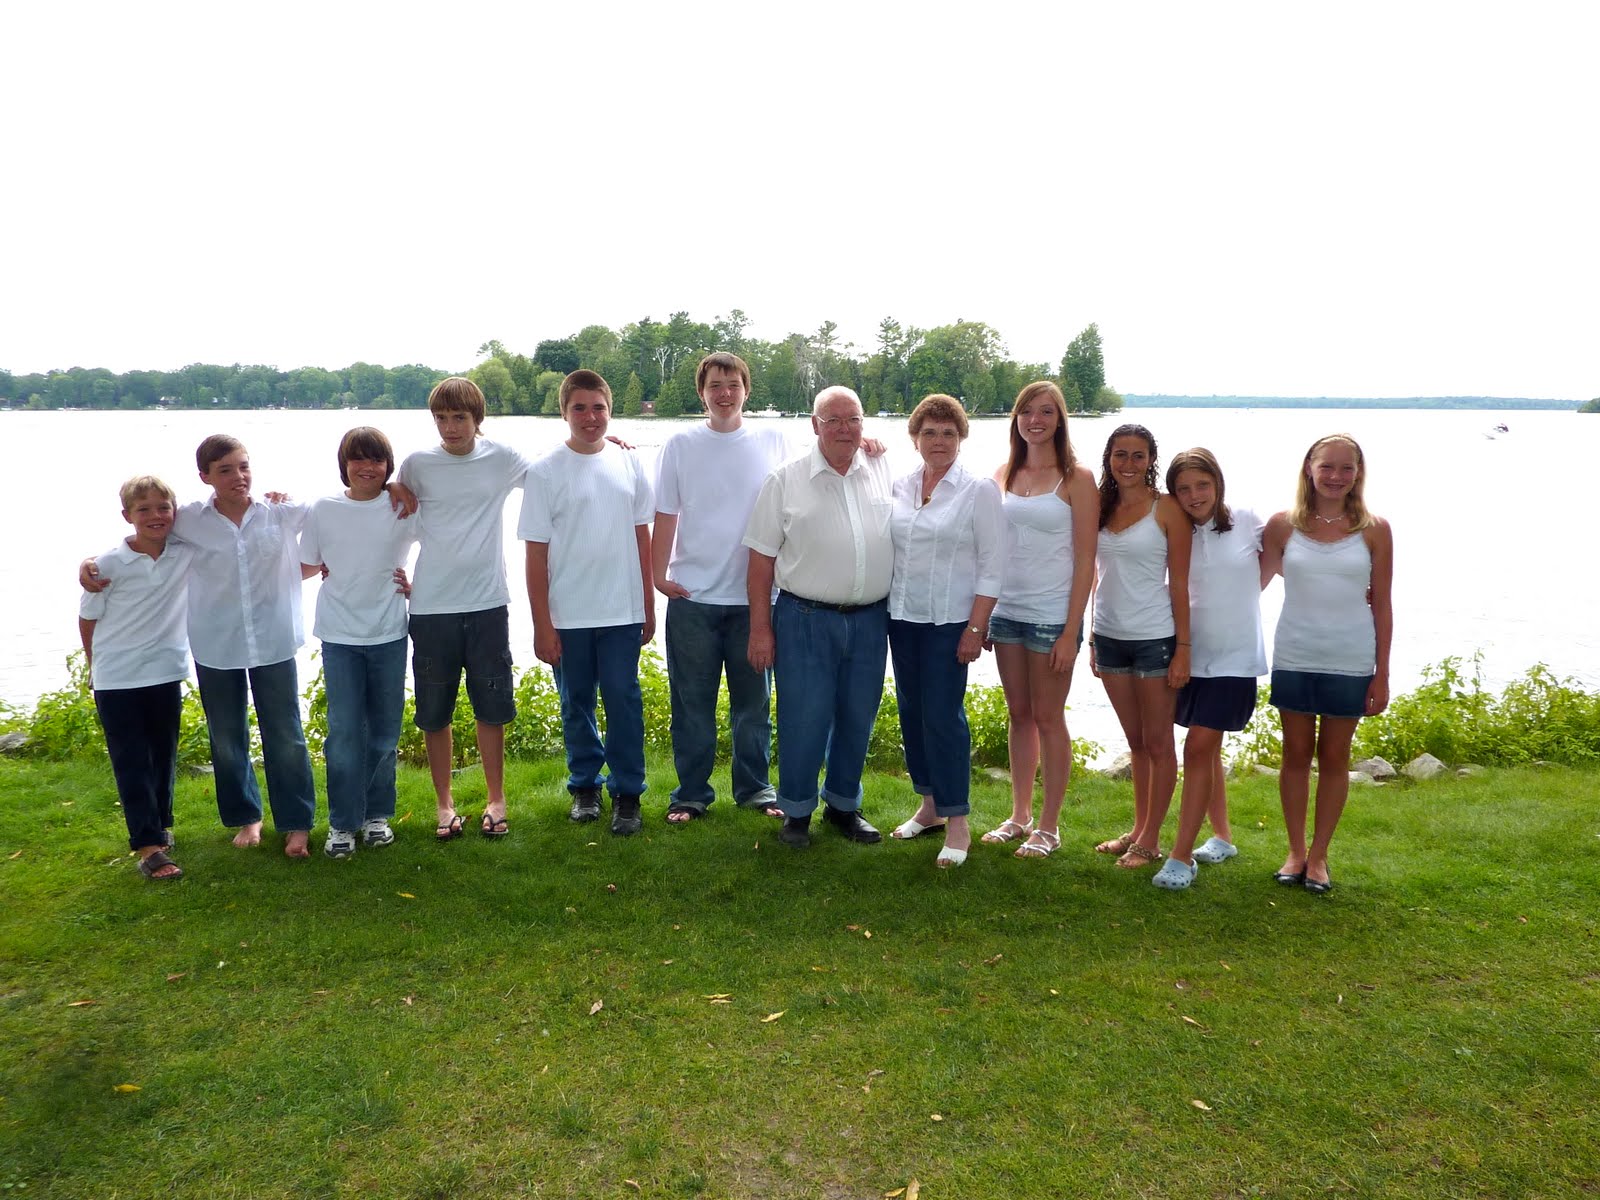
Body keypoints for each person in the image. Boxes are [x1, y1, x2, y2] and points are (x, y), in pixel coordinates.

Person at [85, 435, 318, 857]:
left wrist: (393, 489)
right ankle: (247, 816)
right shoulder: (188, 519)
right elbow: (143, 533)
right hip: (216, 644)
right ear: (205, 476)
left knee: (286, 735)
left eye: (243, 466)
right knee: (227, 738)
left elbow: (335, 519)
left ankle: (296, 823)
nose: (238, 476)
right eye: (225, 470)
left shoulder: (281, 511)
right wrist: (89, 566)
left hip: (274, 640)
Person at [743, 385, 892, 849]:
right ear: (814, 425)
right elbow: (760, 562)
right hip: (804, 618)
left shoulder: (882, 468)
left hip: (870, 620)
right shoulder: (784, 480)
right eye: (834, 420)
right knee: (803, 718)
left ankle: (844, 806)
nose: (845, 429)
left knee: (857, 717)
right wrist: (760, 630)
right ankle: (796, 811)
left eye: (854, 419)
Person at [652, 352, 790, 823]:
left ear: (746, 390)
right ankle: (691, 794)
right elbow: (665, 513)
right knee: (692, 705)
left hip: (756, 600)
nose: (724, 393)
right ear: (702, 393)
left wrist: (868, 443)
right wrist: (658, 576)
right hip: (694, 599)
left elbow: (810, 483)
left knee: (754, 706)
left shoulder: (773, 440)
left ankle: (755, 790)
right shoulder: (680, 444)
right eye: (715, 385)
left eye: (733, 384)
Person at [396, 377, 531, 841]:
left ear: (477, 418)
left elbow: (553, 478)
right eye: (441, 418)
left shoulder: (502, 458)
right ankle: (444, 806)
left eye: (459, 417)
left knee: (491, 707)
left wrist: (605, 445)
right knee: (435, 711)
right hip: (432, 607)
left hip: (488, 602)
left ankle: (496, 800)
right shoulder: (417, 465)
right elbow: (392, 515)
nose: (450, 427)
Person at [521, 370, 655, 836]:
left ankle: (628, 793)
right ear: (564, 412)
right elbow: (535, 555)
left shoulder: (628, 462)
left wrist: (648, 604)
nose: (590, 417)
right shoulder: (545, 471)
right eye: (579, 407)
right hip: (569, 613)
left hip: (621, 611)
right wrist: (542, 625)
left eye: (598, 407)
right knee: (575, 703)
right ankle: (584, 786)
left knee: (623, 700)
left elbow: (642, 536)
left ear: (609, 410)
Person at [1260, 433, 1393, 894]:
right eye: (1327, 466)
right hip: (1295, 652)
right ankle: (1295, 852)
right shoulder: (1282, 526)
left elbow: (1383, 604)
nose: (1336, 476)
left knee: (1335, 757)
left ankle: (1319, 856)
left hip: (1351, 658)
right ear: (1309, 468)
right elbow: (1249, 580)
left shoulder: (1374, 529)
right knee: (1295, 755)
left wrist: (1382, 673)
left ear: (1358, 474)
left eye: (1346, 468)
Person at [884, 394, 1004, 867]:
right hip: (902, 619)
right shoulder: (900, 485)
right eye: (929, 432)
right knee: (912, 714)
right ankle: (929, 806)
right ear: (914, 438)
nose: (939, 441)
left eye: (948, 433)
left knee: (943, 717)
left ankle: (957, 821)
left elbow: (993, 565)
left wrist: (976, 626)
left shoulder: (979, 491)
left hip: (950, 622)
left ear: (961, 438)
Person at [980, 381, 1098, 860]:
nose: (1035, 420)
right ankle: (1020, 815)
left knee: (1049, 718)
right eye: (1027, 411)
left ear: (1059, 420)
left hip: (1053, 617)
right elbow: (989, 549)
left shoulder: (1077, 478)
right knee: (1019, 715)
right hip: (1007, 612)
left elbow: (1087, 561)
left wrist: (1072, 631)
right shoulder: (1003, 474)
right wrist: (983, 613)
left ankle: (1049, 827)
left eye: (1046, 411)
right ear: (1016, 418)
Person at [298, 427, 416, 859]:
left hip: (389, 633)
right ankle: (343, 823)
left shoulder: (402, 506)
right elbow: (305, 565)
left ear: (388, 465)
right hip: (340, 636)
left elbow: (445, 543)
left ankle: (377, 817)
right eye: (358, 459)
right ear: (344, 465)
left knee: (384, 733)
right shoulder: (323, 509)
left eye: (377, 460)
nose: (368, 468)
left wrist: (419, 586)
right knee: (345, 733)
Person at [1150, 448, 1265, 890]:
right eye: (1183, 489)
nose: (1194, 495)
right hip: (1188, 655)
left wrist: (1363, 589)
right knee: (1207, 748)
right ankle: (1223, 837)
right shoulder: (1174, 530)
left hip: (1234, 659)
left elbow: (1290, 557)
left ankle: (1181, 857)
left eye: (1202, 484)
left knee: (1197, 747)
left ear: (1218, 482)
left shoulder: (1248, 521)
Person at [79, 476, 195, 881]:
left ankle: (161, 826)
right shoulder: (107, 565)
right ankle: (147, 847)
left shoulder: (184, 553)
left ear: (174, 511)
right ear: (127, 515)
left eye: (163, 507)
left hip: (165, 671)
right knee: (131, 760)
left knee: (163, 755)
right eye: (143, 509)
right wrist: (94, 666)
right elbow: (88, 618)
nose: (155, 516)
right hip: (117, 678)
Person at [1090, 423, 1191, 870]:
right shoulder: (1100, 505)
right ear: (1109, 458)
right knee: (1135, 741)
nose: (1128, 463)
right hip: (1109, 637)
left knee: (1158, 742)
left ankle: (1150, 841)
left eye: (1137, 455)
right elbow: (1095, 574)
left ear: (1151, 460)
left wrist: (1184, 647)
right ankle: (1138, 829)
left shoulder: (1167, 509)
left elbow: (1181, 583)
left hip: (1155, 639)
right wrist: (1091, 636)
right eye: (1120, 454)